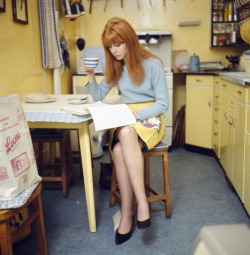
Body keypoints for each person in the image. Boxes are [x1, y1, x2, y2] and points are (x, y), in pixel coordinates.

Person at [81, 17, 169, 244]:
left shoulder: (153, 65)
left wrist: (136, 115)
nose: (114, 51)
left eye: (118, 45)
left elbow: (162, 104)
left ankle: (133, 210)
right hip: (126, 119)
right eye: (110, 46)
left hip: (150, 117)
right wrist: (91, 76)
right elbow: (99, 95)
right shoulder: (116, 66)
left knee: (120, 150)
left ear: (129, 41)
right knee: (125, 137)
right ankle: (136, 209)